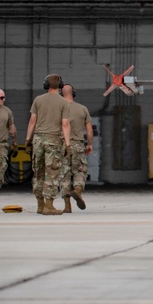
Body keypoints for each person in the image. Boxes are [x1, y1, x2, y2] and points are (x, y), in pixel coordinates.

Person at [25, 73, 71, 215]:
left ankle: (40, 205)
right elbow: (65, 124)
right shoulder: (64, 102)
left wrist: (27, 140)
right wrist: (68, 145)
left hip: (38, 139)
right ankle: (49, 206)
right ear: (60, 86)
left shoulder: (38, 100)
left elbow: (32, 121)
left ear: (46, 85)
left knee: (38, 172)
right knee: (51, 173)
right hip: (53, 140)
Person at [59, 84, 93, 213]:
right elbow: (89, 129)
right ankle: (78, 190)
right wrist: (89, 144)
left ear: (61, 94)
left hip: (63, 144)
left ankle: (67, 205)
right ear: (73, 93)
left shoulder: (59, 109)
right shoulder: (82, 109)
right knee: (80, 170)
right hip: (78, 144)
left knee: (64, 175)